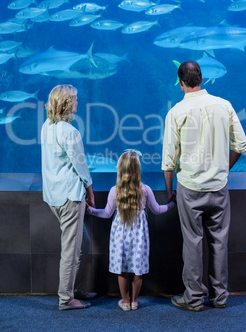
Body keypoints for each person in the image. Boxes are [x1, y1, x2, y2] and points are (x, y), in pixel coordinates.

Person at [162, 61, 246, 312]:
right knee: (219, 242)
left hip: (189, 187)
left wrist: (170, 193)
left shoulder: (176, 112)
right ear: (202, 78)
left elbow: (168, 161)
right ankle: (220, 298)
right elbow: (240, 144)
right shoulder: (225, 106)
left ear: (180, 83)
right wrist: (223, 169)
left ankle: (194, 299)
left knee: (192, 242)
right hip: (218, 186)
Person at [87, 150, 175, 311]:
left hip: (120, 236)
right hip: (140, 235)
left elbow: (106, 213)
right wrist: (172, 204)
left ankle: (125, 301)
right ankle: (135, 301)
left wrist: (90, 210)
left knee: (122, 269)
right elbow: (157, 210)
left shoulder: (115, 190)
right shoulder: (145, 189)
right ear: (138, 169)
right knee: (138, 269)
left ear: (120, 169)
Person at [41, 84, 96, 311]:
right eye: (74, 99)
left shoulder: (46, 126)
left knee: (83, 245)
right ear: (66, 103)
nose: (77, 102)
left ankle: (74, 288)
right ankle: (66, 299)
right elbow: (81, 167)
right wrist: (90, 192)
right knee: (71, 252)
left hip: (54, 195)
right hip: (70, 197)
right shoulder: (70, 132)